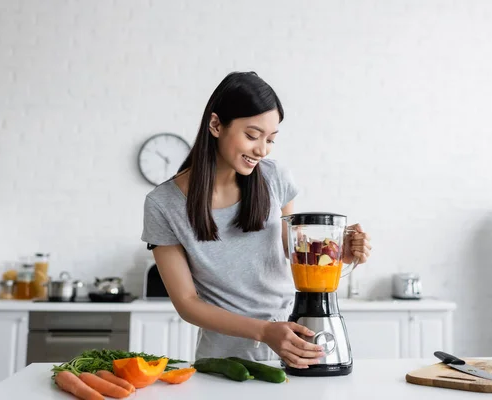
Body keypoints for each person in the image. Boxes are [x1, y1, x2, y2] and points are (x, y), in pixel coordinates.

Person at [141, 71, 372, 369]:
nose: (262, 150)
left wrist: (339, 252)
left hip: (297, 347)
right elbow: (187, 302)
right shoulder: (163, 204)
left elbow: (297, 256)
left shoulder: (274, 178)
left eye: (271, 139)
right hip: (225, 362)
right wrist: (264, 332)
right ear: (215, 125)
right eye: (252, 136)